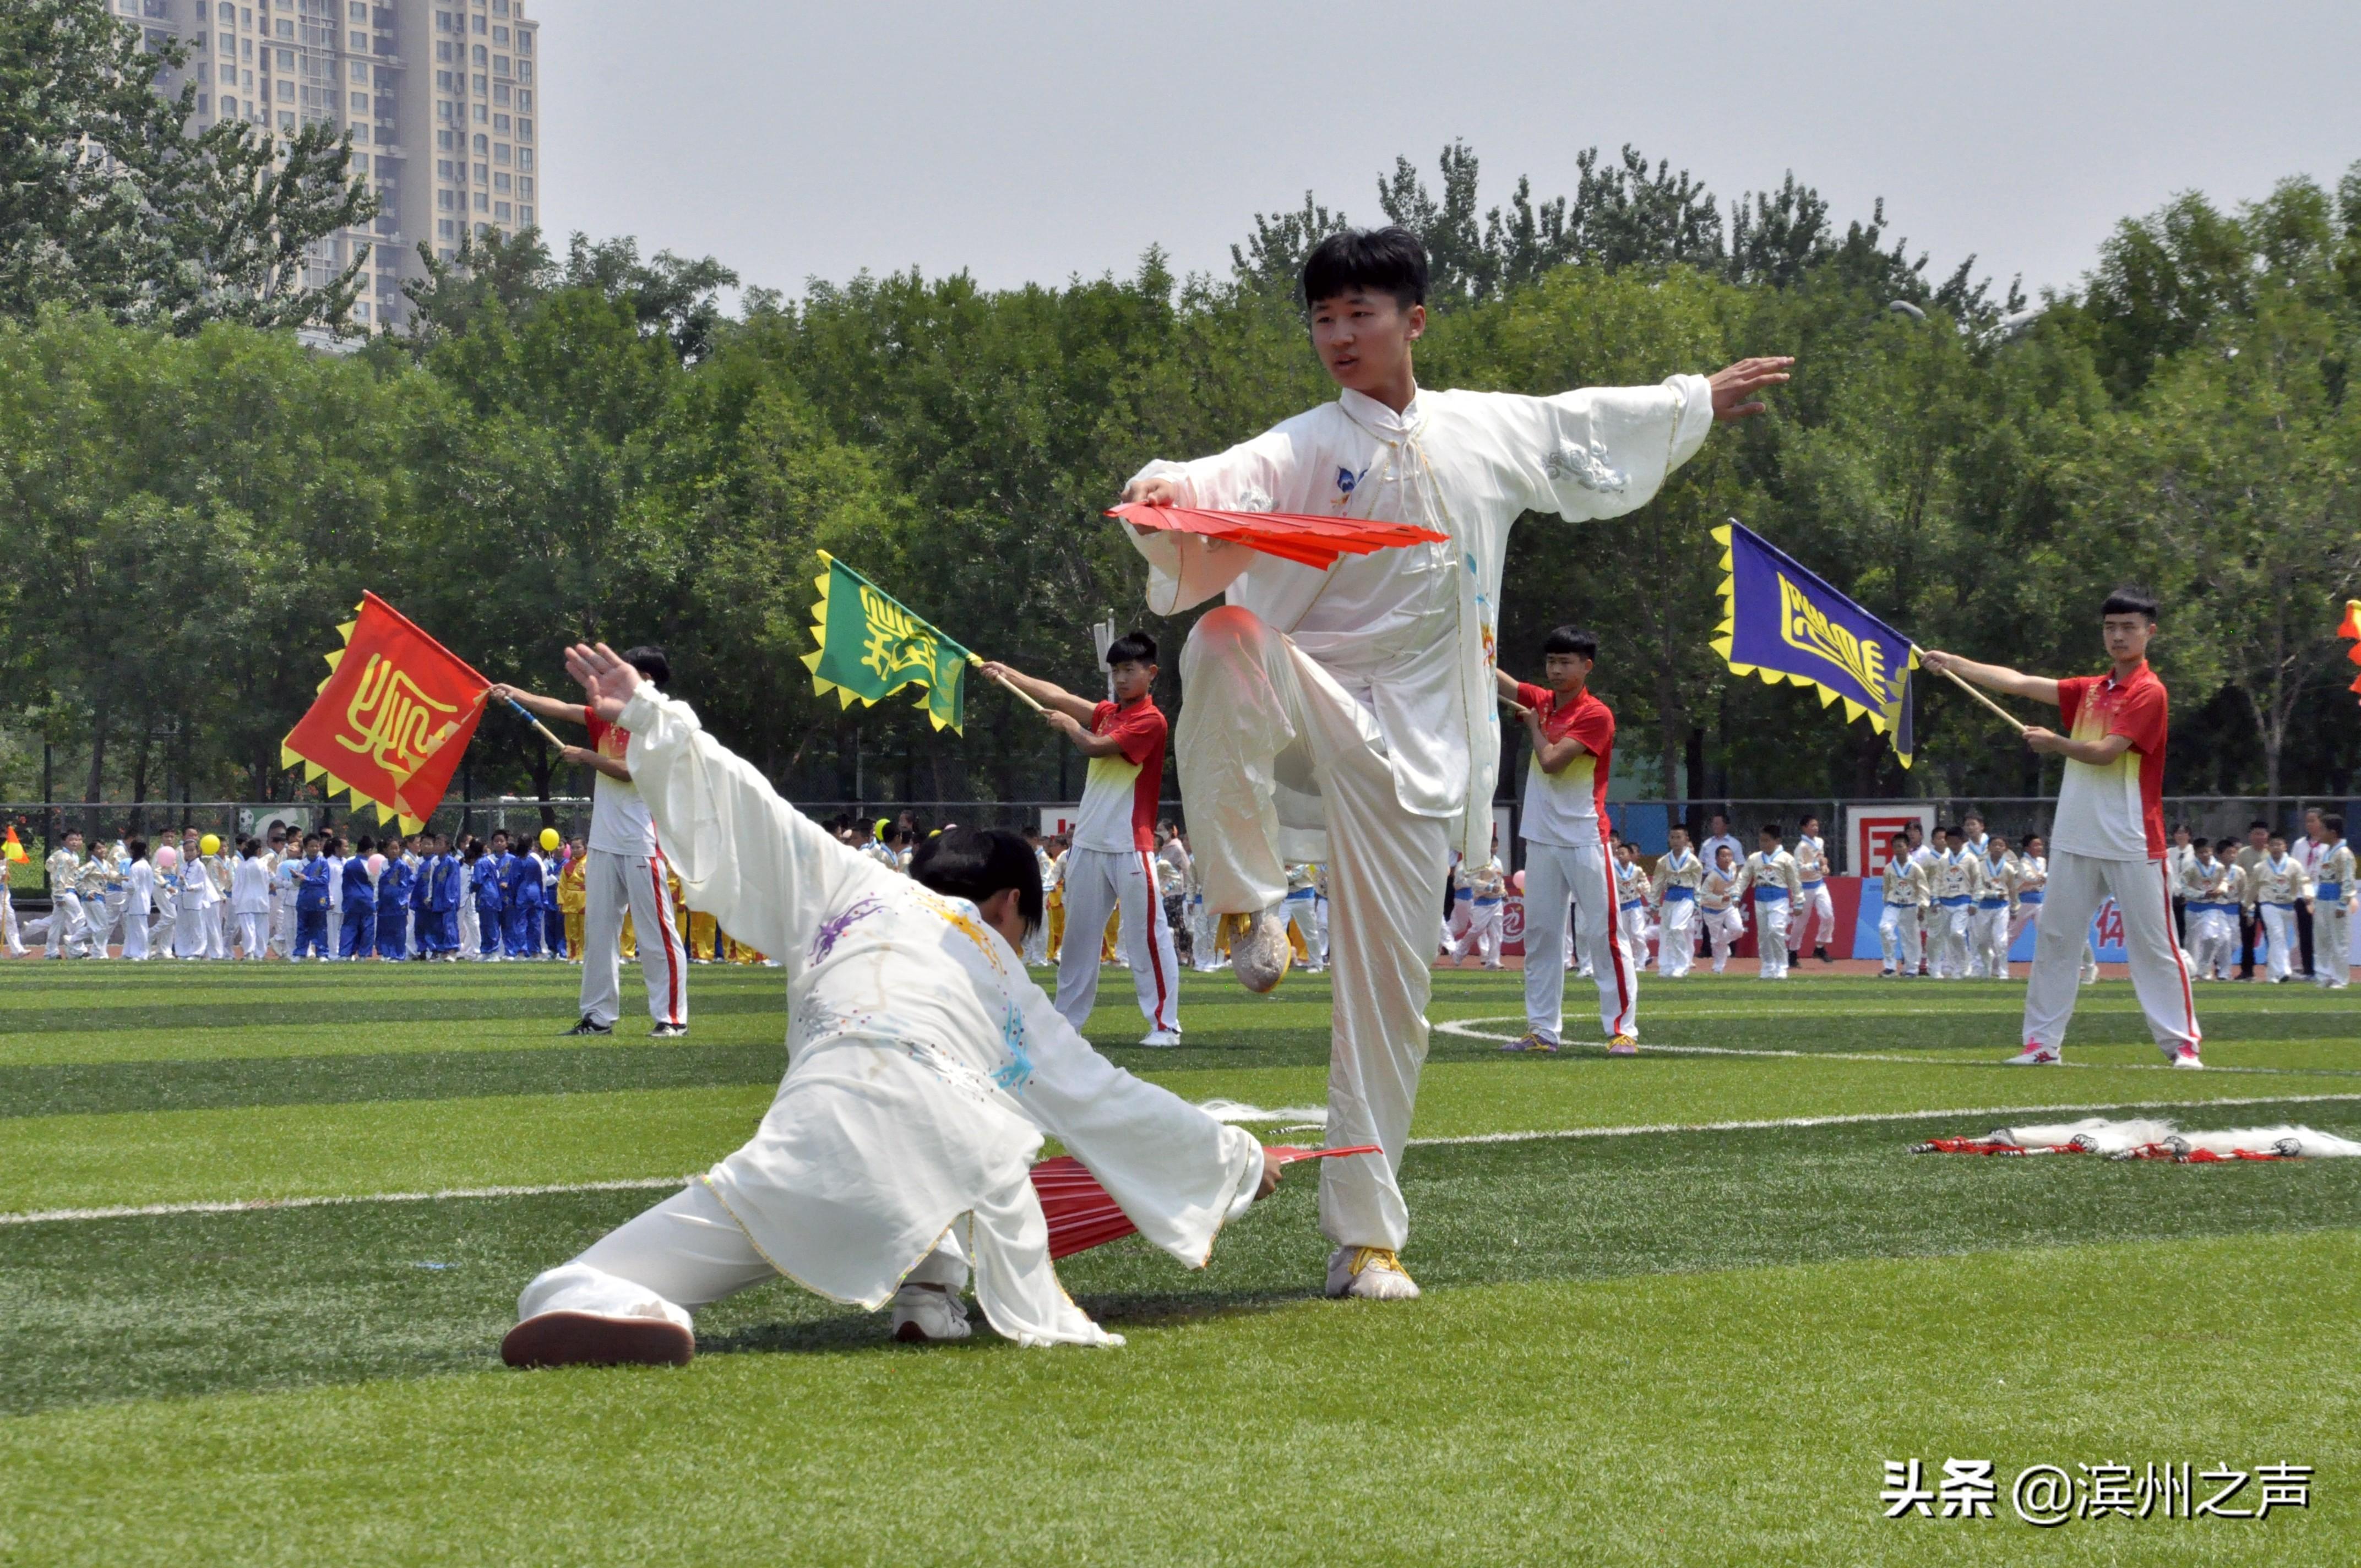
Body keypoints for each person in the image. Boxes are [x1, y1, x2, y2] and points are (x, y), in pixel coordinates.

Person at [1117, 226, 1785, 1297]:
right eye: (1322, 318)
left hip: (1422, 748)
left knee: (1391, 995)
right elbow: (1218, 482)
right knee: (1220, 640)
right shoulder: (1300, 444)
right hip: (1312, 704)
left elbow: (1579, 427)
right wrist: (1163, 488)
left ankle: (1365, 1241)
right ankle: (1247, 903)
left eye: (1359, 314)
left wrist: (1691, 401)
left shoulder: (1480, 431)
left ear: (1412, 319)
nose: (1337, 336)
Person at [501, 643, 1284, 1365]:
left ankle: (622, 1297)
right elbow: (1103, 1098)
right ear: (1010, 906)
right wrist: (1239, 1160)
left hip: (819, 1137)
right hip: (947, 1153)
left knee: (574, 1282)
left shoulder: (850, 883)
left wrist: (650, 715)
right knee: (984, 1139)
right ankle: (931, 1291)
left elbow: (748, 803)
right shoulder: (1001, 975)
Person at [1922, 590, 2200, 1065]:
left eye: (2128, 627)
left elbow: (2107, 751)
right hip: (2075, 837)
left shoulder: (2149, 692)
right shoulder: (2091, 690)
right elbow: (2019, 682)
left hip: (2133, 839)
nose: (2118, 636)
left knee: (2154, 945)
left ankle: (2182, 1046)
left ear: (2149, 632)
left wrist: (2055, 743)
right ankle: (2042, 1045)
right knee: (2055, 937)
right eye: (2111, 627)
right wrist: (1954, 663)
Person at [978, 634, 1182, 1048]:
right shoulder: (1108, 712)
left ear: (1151, 673)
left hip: (1131, 846)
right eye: (1116, 672)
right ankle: (1066, 1026)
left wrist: (1071, 727)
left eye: (1130, 670)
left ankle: (1165, 1026)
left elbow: (1096, 747)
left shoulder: (1151, 721)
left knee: (1148, 939)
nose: (1122, 679)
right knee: (1077, 943)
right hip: (1088, 846)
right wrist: (1007, 673)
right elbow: (1059, 694)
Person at [1501, 626, 1633, 1053]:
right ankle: (1542, 1031)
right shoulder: (1541, 700)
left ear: (1586, 666)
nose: (1556, 670)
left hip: (1585, 838)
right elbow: (1496, 680)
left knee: (1604, 934)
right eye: (1551, 662)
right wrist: (1476, 643)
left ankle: (1622, 1030)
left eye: (1566, 663)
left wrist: (1533, 726)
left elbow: (1552, 761)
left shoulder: (1595, 714)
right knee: (1541, 935)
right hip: (1540, 839)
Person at [1737, 825, 1803, 979]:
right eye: (1761, 840)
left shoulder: (1786, 858)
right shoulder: (1755, 858)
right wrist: (1736, 894)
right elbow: (1744, 877)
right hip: (1760, 898)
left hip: (1779, 898)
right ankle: (1768, 965)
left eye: (1767, 841)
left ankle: (1782, 966)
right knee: (1764, 935)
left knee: (1776, 930)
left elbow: (1795, 881)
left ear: (1777, 841)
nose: (1764, 844)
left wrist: (1799, 901)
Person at [2249, 833, 2310, 984]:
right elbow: (2252, 889)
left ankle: (2272, 975)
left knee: (2279, 938)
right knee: (2277, 936)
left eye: (2279, 844)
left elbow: (2305, 881)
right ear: (2267, 847)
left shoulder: (2294, 865)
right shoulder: (2260, 867)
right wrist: (2247, 906)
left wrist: (2309, 896)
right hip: (2268, 905)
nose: (2276, 848)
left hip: (2288, 906)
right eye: (2273, 845)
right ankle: (2284, 970)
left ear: (2285, 847)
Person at [1925, 826, 1980, 980]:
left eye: (1956, 843)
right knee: (1937, 936)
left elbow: (1978, 881)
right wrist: (1934, 898)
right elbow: (1937, 880)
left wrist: (1975, 901)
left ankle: (1964, 963)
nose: (1953, 846)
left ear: (1963, 842)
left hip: (1963, 901)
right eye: (1950, 843)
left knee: (1957, 933)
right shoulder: (1943, 861)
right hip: (1944, 902)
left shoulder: (1970, 859)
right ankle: (1935, 968)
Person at [1649, 825, 1702, 978]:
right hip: (1670, 897)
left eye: (1679, 837)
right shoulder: (1664, 861)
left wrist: (1697, 900)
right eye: (1672, 837)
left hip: (1686, 896)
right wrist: (1654, 902)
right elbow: (1658, 882)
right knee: (1666, 931)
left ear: (1686, 839)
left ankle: (1682, 965)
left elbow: (1697, 882)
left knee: (1677, 929)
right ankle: (1666, 965)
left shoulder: (1693, 861)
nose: (1675, 840)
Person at [2184, 840, 2239, 982]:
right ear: (2196, 854)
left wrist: (2220, 891)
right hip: (2193, 907)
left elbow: (2224, 882)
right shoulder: (2190, 868)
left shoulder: (2219, 867)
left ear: (2212, 851)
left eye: (2207, 851)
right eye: (2202, 852)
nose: (2205, 855)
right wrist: (2202, 894)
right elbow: (2183, 887)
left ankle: (2204, 968)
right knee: (2193, 942)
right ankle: (2191, 972)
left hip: (2211, 907)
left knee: (2211, 937)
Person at [2309, 814, 2352, 990]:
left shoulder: (2344, 853)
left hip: (2336, 901)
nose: (2319, 833)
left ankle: (2340, 979)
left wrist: (2343, 903)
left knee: (2339, 940)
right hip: (2322, 900)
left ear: (2333, 833)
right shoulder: (2327, 851)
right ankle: (2324, 976)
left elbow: (2348, 880)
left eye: (2323, 830)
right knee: (2322, 939)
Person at [1788, 813, 1838, 965]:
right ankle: (1792, 953)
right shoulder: (1801, 847)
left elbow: (1821, 858)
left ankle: (1820, 946)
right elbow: (1798, 868)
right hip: (1804, 888)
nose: (1816, 828)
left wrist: (1824, 866)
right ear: (1804, 828)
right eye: (1812, 825)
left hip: (1819, 884)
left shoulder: (1820, 842)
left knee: (1828, 916)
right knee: (1800, 922)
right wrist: (1816, 866)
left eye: (1817, 825)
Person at [1877, 830, 1927, 978]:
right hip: (1893, 904)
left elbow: (1923, 888)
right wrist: (1886, 901)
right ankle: (1890, 967)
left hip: (1911, 906)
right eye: (1896, 847)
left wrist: (1922, 907)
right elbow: (1886, 886)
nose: (1899, 850)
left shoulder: (1915, 867)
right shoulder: (1889, 868)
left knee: (1911, 939)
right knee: (1884, 929)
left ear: (1908, 847)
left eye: (1901, 846)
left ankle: (1912, 969)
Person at [1971, 833, 2019, 980]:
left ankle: (2003, 972)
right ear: (1989, 847)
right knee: (1982, 942)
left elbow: (2012, 889)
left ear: (2005, 849)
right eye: (1995, 845)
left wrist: (2014, 908)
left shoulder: (2008, 869)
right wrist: (1988, 896)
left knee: (2001, 940)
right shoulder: (1980, 866)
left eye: (2001, 845)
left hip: (2001, 907)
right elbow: (1977, 887)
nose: (1998, 848)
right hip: (1983, 907)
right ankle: (1986, 968)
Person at [2291, 805, 2328, 980]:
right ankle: (2308, 970)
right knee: (2305, 935)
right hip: (2302, 896)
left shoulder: (2328, 845)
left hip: (2322, 895)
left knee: (2322, 934)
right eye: (2307, 821)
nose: (2310, 824)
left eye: (2313, 820)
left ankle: (2324, 968)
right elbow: (2294, 869)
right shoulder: (2299, 844)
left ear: (2322, 822)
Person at [1699, 845, 1745, 973]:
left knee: (1738, 930)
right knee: (1716, 942)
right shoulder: (1712, 877)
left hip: (1729, 907)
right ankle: (1718, 967)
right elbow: (1704, 896)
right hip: (1712, 912)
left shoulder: (1733, 867)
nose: (1727, 859)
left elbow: (1736, 882)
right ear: (1716, 858)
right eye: (1723, 856)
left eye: (1729, 856)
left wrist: (1733, 896)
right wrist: (1719, 899)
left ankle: (1724, 941)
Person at [1613, 839, 1655, 977]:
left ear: (1631, 856)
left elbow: (1646, 884)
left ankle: (1641, 962)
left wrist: (1643, 890)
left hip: (1635, 905)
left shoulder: (1637, 870)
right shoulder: (1613, 871)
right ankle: (1628, 962)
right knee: (1624, 935)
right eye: (1618, 854)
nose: (1620, 856)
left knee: (1638, 933)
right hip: (1621, 907)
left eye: (1623, 853)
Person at [43, 832, 86, 959]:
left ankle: (51, 952)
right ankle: (76, 947)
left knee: (57, 923)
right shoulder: (64, 857)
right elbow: (59, 876)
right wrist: (59, 895)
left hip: (67, 890)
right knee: (80, 917)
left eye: (78, 840)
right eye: (71, 840)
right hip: (66, 891)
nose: (75, 842)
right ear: (65, 841)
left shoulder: (73, 856)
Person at [229, 839, 271, 959]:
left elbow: (237, 885)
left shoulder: (243, 866)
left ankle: (250, 952)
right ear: (259, 851)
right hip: (261, 901)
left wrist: (236, 901)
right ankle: (260, 954)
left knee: (249, 929)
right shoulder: (263, 865)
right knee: (261, 930)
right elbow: (266, 883)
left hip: (245, 901)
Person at [338, 835, 377, 961]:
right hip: (367, 900)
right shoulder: (370, 865)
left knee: (349, 927)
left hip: (351, 900)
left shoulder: (349, 863)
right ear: (369, 850)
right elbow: (375, 882)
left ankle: (345, 954)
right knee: (367, 928)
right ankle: (364, 954)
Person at [373, 836, 413, 961]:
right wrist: (376, 900)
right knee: (385, 928)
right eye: (391, 849)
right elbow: (377, 884)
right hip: (384, 902)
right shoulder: (383, 865)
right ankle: (386, 953)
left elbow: (409, 883)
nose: (394, 851)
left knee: (399, 930)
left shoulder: (402, 866)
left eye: (397, 848)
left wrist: (402, 899)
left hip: (398, 903)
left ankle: (399, 954)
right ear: (386, 850)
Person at [293, 835, 333, 960]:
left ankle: (322, 953)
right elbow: (296, 884)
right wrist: (295, 877)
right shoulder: (301, 864)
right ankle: (300, 953)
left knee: (320, 928)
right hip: (305, 899)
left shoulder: (323, 862)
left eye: (317, 846)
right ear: (306, 848)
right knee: (302, 928)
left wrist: (307, 879)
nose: (315, 849)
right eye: (312, 846)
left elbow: (324, 880)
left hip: (320, 899)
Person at [1700, 812, 1744, 879]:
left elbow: (1740, 865)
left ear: (1726, 826)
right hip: (1707, 879)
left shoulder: (1735, 844)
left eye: (1717, 824)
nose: (1714, 826)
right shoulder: (1706, 844)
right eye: (1713, 824)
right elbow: (1701, 864)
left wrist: (1736, 882)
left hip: (1727, 880)